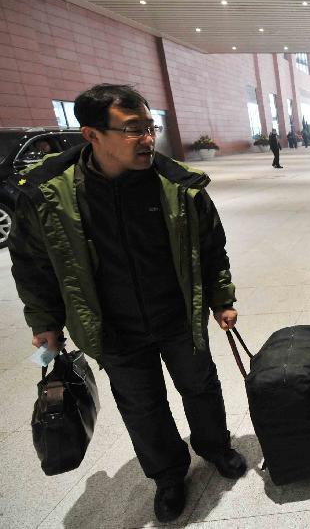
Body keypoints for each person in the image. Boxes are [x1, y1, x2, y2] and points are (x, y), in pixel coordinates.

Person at [7, 84, 245, 523]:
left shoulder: (176, 185)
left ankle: (215, 448)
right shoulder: (48, 195)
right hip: (111, 327)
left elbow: (211, 246)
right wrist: (44, 322)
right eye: (133, 130)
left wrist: (221, 296)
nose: (148, 139)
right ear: (92, 135)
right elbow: (32, 263)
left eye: (149, 127)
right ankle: (169, 476)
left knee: (201, 387)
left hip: (177, 316)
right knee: (142, 406)